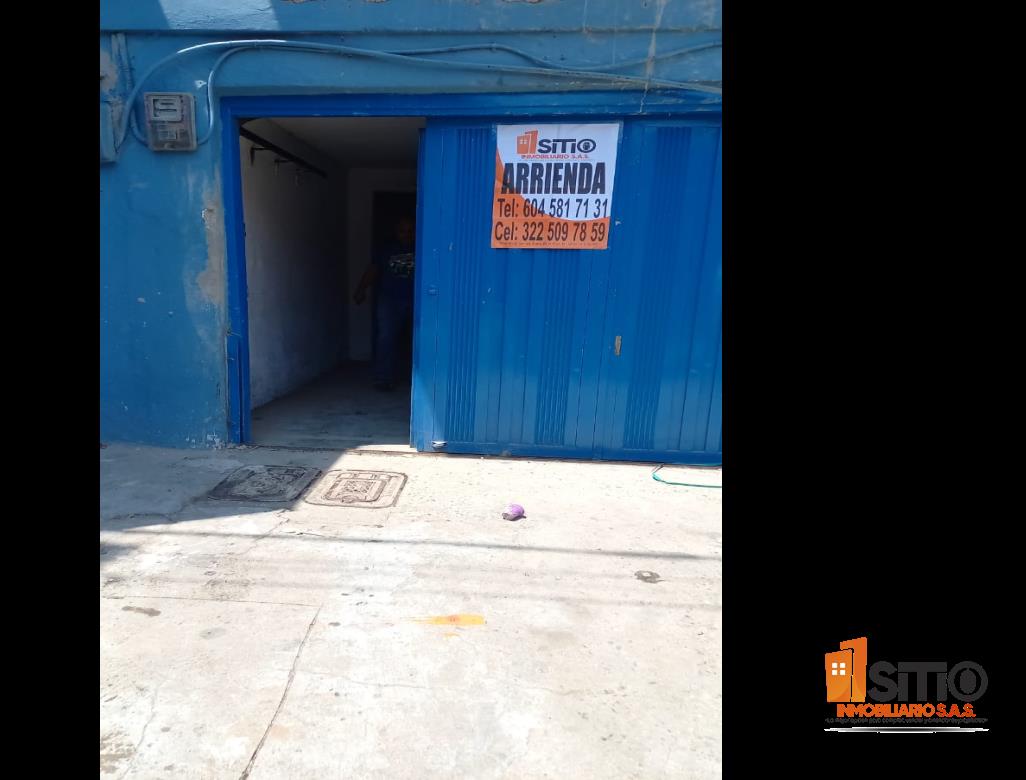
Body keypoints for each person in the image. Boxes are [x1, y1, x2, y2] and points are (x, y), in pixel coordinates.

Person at [353, 215, 416, 391]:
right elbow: (373, 270)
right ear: (396, 232)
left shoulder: (423, 246)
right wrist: (361, 289)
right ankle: (383, 378)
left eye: (410, 231)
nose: (406, 234)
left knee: (420, 338)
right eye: (402, 231)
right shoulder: (386, 249)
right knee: (386, 337)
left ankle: (421, 380)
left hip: (417, 301)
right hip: (389, 300)